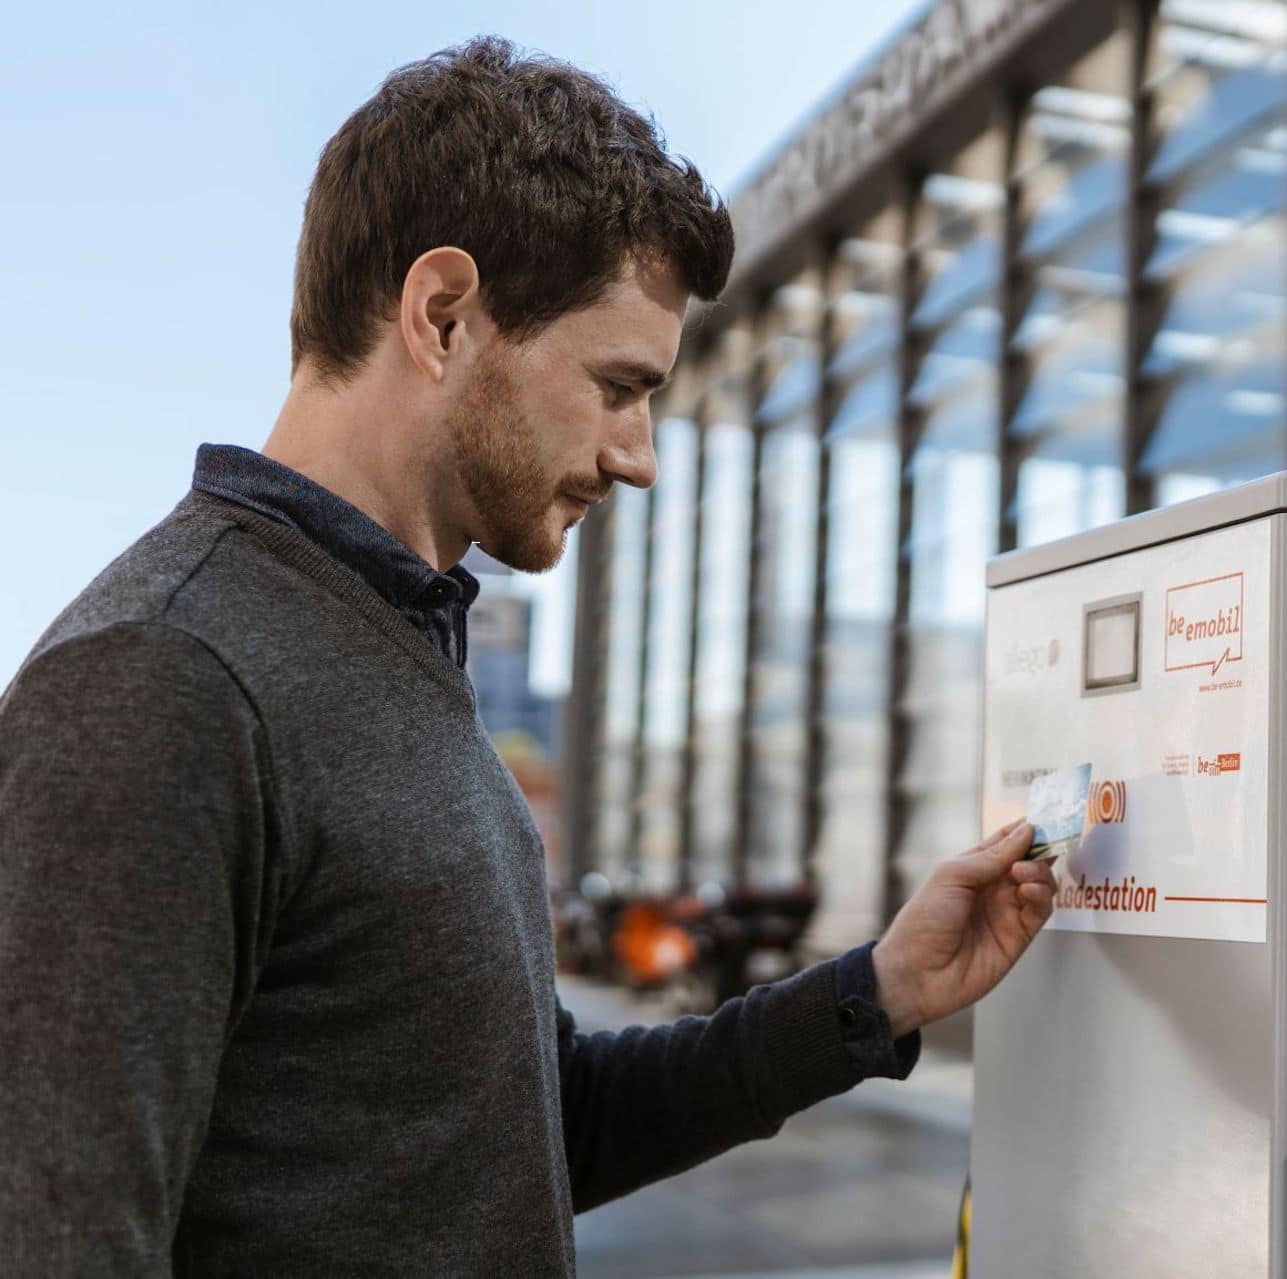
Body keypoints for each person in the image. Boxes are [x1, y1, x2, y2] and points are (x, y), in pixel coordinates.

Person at [0, 37, 1058, 1275]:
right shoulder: (164, 677)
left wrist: (874, 994)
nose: (640, 454)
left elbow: (537, 1124)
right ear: (442, 315)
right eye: (619, 385)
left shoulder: (398, 648)